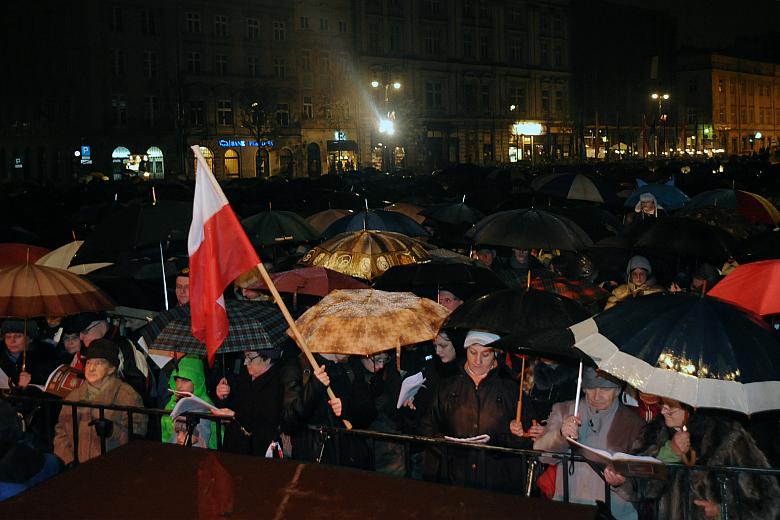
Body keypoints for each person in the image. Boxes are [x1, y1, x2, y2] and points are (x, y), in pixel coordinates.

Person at [607, 398, 780, 520]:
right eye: (662, 403)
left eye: (671, 405)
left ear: (691, 405)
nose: (663, 410)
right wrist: (621, 481)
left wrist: (722, 511)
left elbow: (769, 503)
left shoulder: (727, 436)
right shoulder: (654, 433)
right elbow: (641, 490)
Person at [420, 330, 534, 492]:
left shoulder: (511, 389)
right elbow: (428, 425)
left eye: (485, 354)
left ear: (495, 354)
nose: (477, 361)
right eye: (473, 352)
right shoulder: (447, 386)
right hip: (454, 476)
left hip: (497, 481)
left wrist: (517, 434)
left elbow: (528, 439)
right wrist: (445, 444)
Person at [533, 367, 644, 520]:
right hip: (568, 507)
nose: (597, 395)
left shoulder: (634, 424)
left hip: (614, 513)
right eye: (591, 387)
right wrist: (561, 435)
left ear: (617, 390)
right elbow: (541, 455)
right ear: (583, 388)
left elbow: (644, 483)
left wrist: (622, 483)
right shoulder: (564, 410)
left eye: (605, 389)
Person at [53, 339, 147, 465]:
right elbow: (61, 433)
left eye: (99, 363)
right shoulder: (74, 396)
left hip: (112, 470)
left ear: (111, 368)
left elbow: (137, 436)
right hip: (78, 470)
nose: (91, 368)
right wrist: (68, 460)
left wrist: (112, 431)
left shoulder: (127, 396)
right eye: (88, 363)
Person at [214, 346, 285, 456]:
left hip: (257, 452)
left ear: (268, 358)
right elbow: (234, 404)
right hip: (234, 446)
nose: (245, 362)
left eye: (250, 357)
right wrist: (223, 396)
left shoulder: (277, 383)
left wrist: (235, 416)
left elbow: (266, 422)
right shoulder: (245, 375)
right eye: (245, 357)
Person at [160, 357, 216, 449]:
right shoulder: (172, 402)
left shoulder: (205, 406)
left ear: (197, 381)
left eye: (185, 380)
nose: (179, 385)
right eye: (177, 379)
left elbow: (202, 436)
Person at [0, 320, 57, 390]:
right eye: (8, 337)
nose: (12, 341)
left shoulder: (45, 356)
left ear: (30, 339)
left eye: (18, 336)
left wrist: (28, 386)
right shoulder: (2, 354)